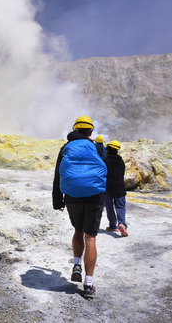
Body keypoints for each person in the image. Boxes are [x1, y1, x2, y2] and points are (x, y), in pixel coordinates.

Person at [53, 115, 107, 299]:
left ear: (74, 130)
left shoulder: (65, 148)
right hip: (94, 197)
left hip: (72, 197)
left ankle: (76, 264)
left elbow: (58, 175)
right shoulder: (98, 148)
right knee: (90, 237)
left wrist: (57, 201)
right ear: (91, 131)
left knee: (78, 230)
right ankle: (89, 285)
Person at [103, 140, 128, 236]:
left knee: (109, 207)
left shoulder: (105, 162)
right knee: (120, 206)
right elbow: (122, 173)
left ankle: (113, 226)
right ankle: (122, 223)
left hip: (108, 187)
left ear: (108, 150)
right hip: (120, 187)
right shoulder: (120, 161)